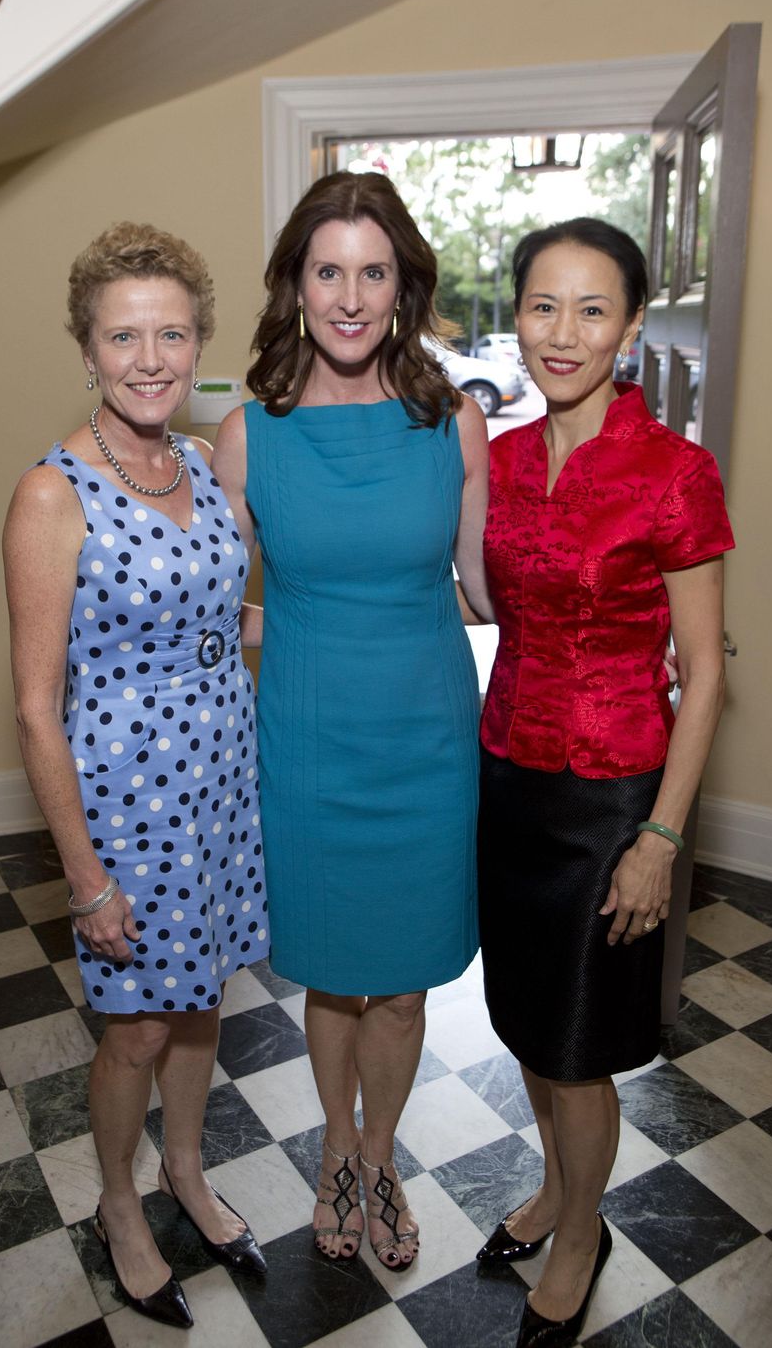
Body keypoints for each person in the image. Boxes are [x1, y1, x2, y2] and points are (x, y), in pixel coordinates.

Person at [213, 171, 490, 1270]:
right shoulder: (249, 437)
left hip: (425, 741)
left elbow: (482, 588)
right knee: (331, 972)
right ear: (295, 285)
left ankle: (381, 1156)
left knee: (405, 975)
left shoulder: (452, 421)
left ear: (401, 288)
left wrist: (610, 625)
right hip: (308, 740)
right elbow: (217, 609)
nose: (349, 294)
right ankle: (337, 1147)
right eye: (327, 270)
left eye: (372, 271)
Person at [3, 223, 269, 1330]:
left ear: (198, 340)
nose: (149, 357)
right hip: (124, 811)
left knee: (200, 1006)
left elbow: (219, 620)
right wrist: (84, 878)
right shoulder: (51, 496)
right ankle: (118, 1200)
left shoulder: (201, 466)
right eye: (124, 336)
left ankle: (186, 1169)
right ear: (87, 350)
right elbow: (33, 704)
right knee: (138, 1029)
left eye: (170, 332)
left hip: (215, 789)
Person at [475, 219, 733, 1346]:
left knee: (578, 1051)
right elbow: (491, 607)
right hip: (507, 781)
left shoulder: (673, 474)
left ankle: (583, 1231)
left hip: (611, 800)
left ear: (630, 326)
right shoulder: (503, 458)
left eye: (590, 309)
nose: (562, 331)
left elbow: (707, 672)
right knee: (531, 1028)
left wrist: (658, 840)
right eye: (541, 305)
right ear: (515, 317)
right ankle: (553, 1192)